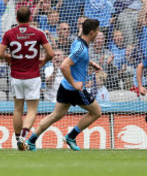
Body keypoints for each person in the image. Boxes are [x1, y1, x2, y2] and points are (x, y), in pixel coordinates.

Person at [25, 19, 102, 151]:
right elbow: (64, 65)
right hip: (74, 89)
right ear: (91, 32)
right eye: (97, 31)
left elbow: (76, 59)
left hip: (65, 87)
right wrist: (75, 83)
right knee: (96, 112)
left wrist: (90, 63)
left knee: (55, 115)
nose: (98, 33)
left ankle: (31, 141)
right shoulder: (82, 49)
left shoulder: (78, 41)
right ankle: (71, 137)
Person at [0, 6, 54, 150]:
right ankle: (23, 137)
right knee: (32, 110)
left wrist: (9, 58)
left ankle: (17, 140)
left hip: (16, 76)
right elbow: (51, 54)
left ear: (16, 19)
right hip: (33, 76)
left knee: (17, 109)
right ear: (30, 18)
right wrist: (43, 61)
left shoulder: (9, 33)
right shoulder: (38, 33)